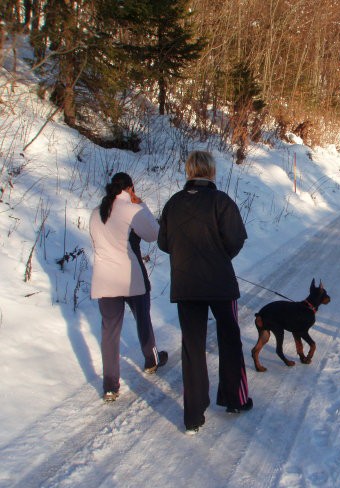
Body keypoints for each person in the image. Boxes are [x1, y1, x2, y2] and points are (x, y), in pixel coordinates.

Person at [158, 150, 252, 434]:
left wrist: (186, 254)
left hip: (186, 284)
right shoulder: (221, 201)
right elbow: (236, 239)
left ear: (188, 171)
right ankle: (234, 399)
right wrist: (219, 256)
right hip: (219, 282)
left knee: (192, 347)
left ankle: (193, 416)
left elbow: (164, 242)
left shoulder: (173, 204)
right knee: (229, 339)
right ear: (211, 172)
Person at [89, 172, 168, 403]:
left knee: (109, 334)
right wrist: (140, 204)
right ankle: (151, 361)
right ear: (130, 189)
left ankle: (110, 386)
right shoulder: (132, 210)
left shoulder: (96, 212)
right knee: (143, 318)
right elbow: (154, 234)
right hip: (131, 276)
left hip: (104, 280)